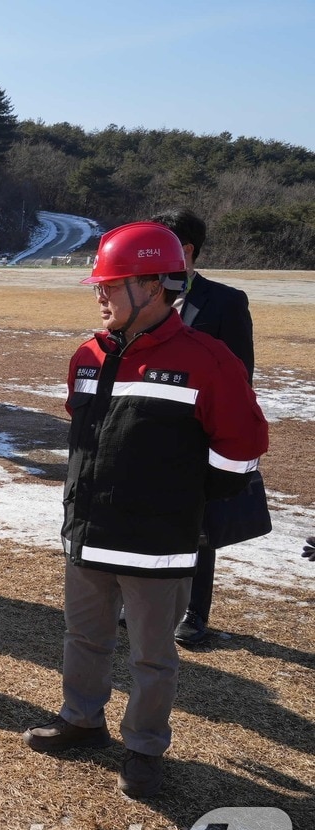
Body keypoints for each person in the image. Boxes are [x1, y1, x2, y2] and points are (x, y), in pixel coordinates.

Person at [23, 221, 268, 799]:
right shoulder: (87, 354)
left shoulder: (207, 359)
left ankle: (143, 748)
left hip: (160, 544)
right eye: (99, 284)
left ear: (152, 287)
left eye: (110, 284)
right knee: (83, 638)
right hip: (89, 533)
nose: (99, 294)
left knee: (152, 657)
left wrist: (185, 500)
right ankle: (81, 719)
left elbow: (242, 446)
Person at [151, 208, 256, 648]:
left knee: (199, 526)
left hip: (197, 436)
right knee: (150, 518)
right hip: (148, 432)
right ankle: (149, 603)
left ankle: (194, 612)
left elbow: (240, 377)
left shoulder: (226, 302)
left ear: (186, 250)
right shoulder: (144, 294)